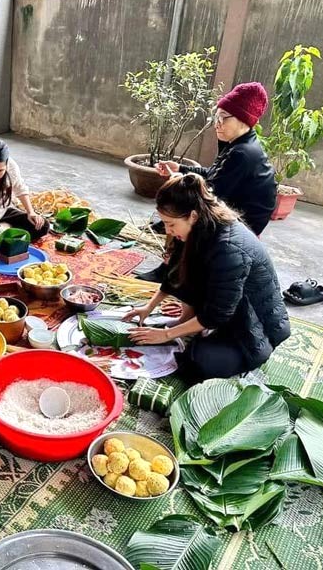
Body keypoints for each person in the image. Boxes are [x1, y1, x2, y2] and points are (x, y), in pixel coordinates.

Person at [124, 173, 290, 383]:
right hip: (228, 312)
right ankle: (189, 326)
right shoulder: (198, 225)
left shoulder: (229, 248)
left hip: (254, 327)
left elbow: (216, 315)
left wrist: (167, 335)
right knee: (187, 276)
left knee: (196, 363)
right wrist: (148, 307)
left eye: (171, 224)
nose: (167, 230)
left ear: (192, 215)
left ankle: (219, 345)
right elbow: (174, 273)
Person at [137, 82, 277, 283]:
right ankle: (172, 268)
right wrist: (181, 169)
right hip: (233, 209)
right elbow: (213, 173)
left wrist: (179, 181)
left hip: (244, 224)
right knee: (187, 206)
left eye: (223, 118)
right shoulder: (238, 145)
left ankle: (171, 272)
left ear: (244, 120)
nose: (217, 124)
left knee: (190, 213)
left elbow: (210, 191)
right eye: (216, 117)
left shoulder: (243, 153)